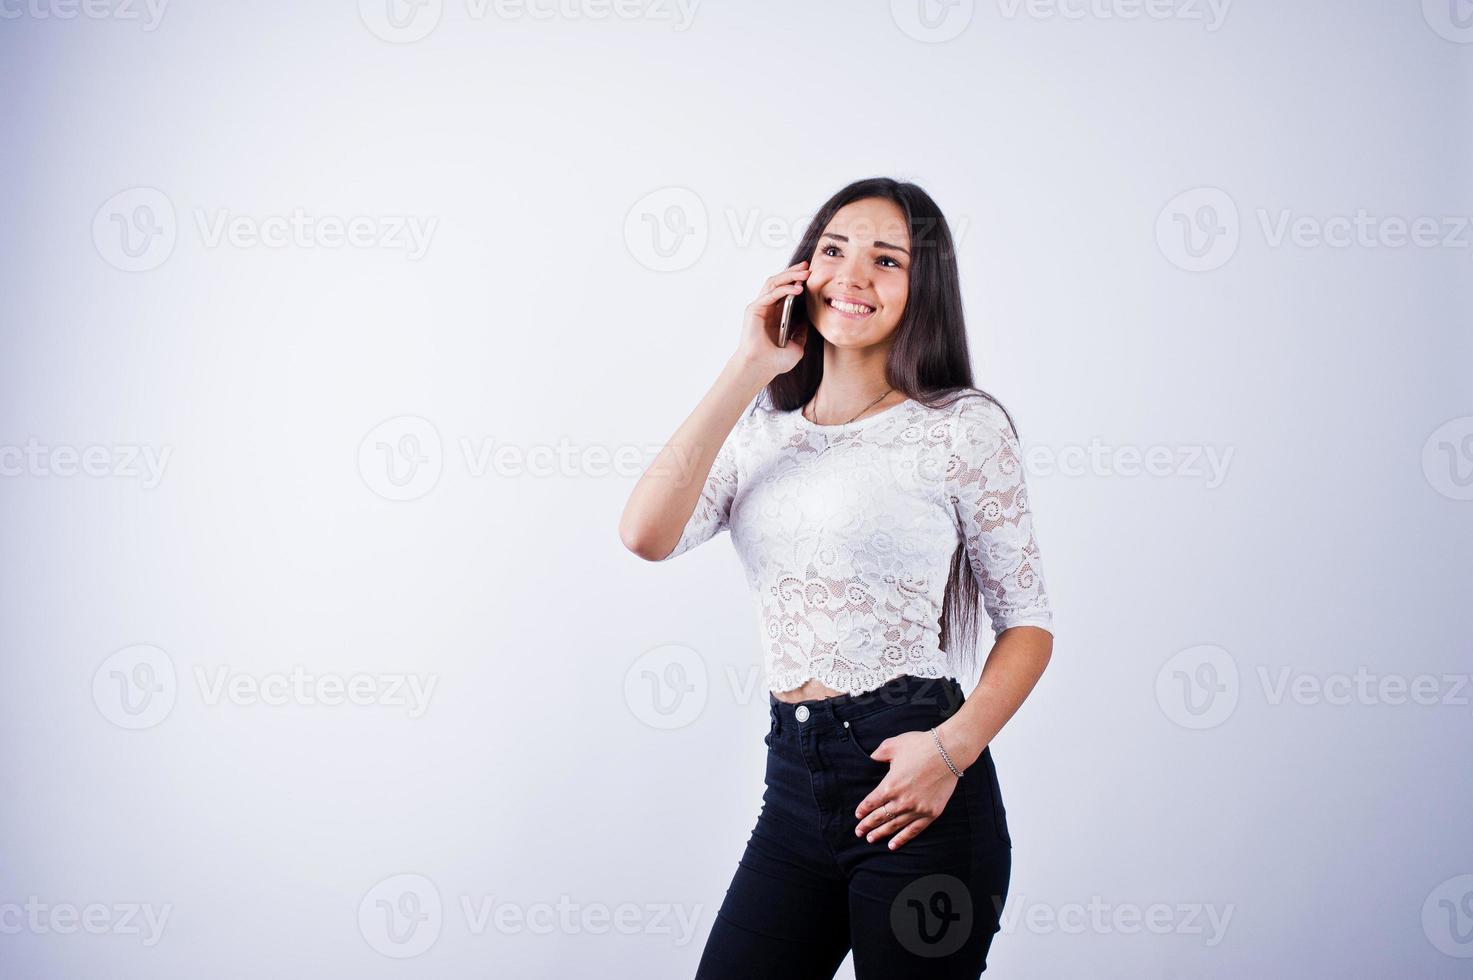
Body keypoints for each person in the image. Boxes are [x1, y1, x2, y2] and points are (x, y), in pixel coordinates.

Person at [619, 177, 1055, 978]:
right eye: (832, 250)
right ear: (801, 270)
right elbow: (644, 534)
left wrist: (951, 751)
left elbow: (1027, 623)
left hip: (916, 783)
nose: (851, 276)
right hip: (791, 789)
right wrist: (748, 365)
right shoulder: (761, 433)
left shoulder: (960, 427)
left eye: (885, 260)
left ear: (922, 290)